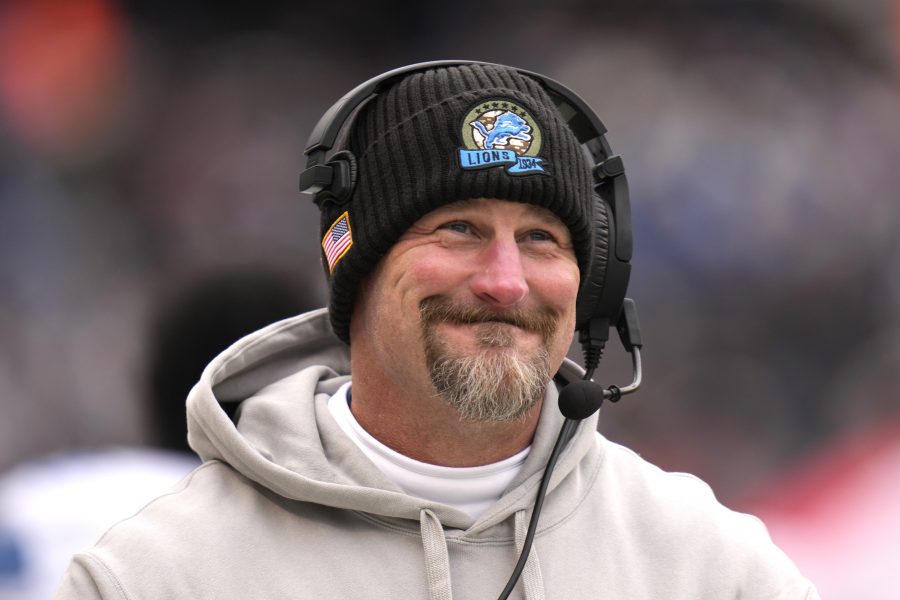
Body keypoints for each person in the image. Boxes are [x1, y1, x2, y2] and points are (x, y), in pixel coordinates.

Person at [54, 61, 819, 599]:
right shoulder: (151, 578)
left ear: (598, 286)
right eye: (457, 228)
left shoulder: (714, 571)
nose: (505, 280)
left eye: (542, 239)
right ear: (354, 268)